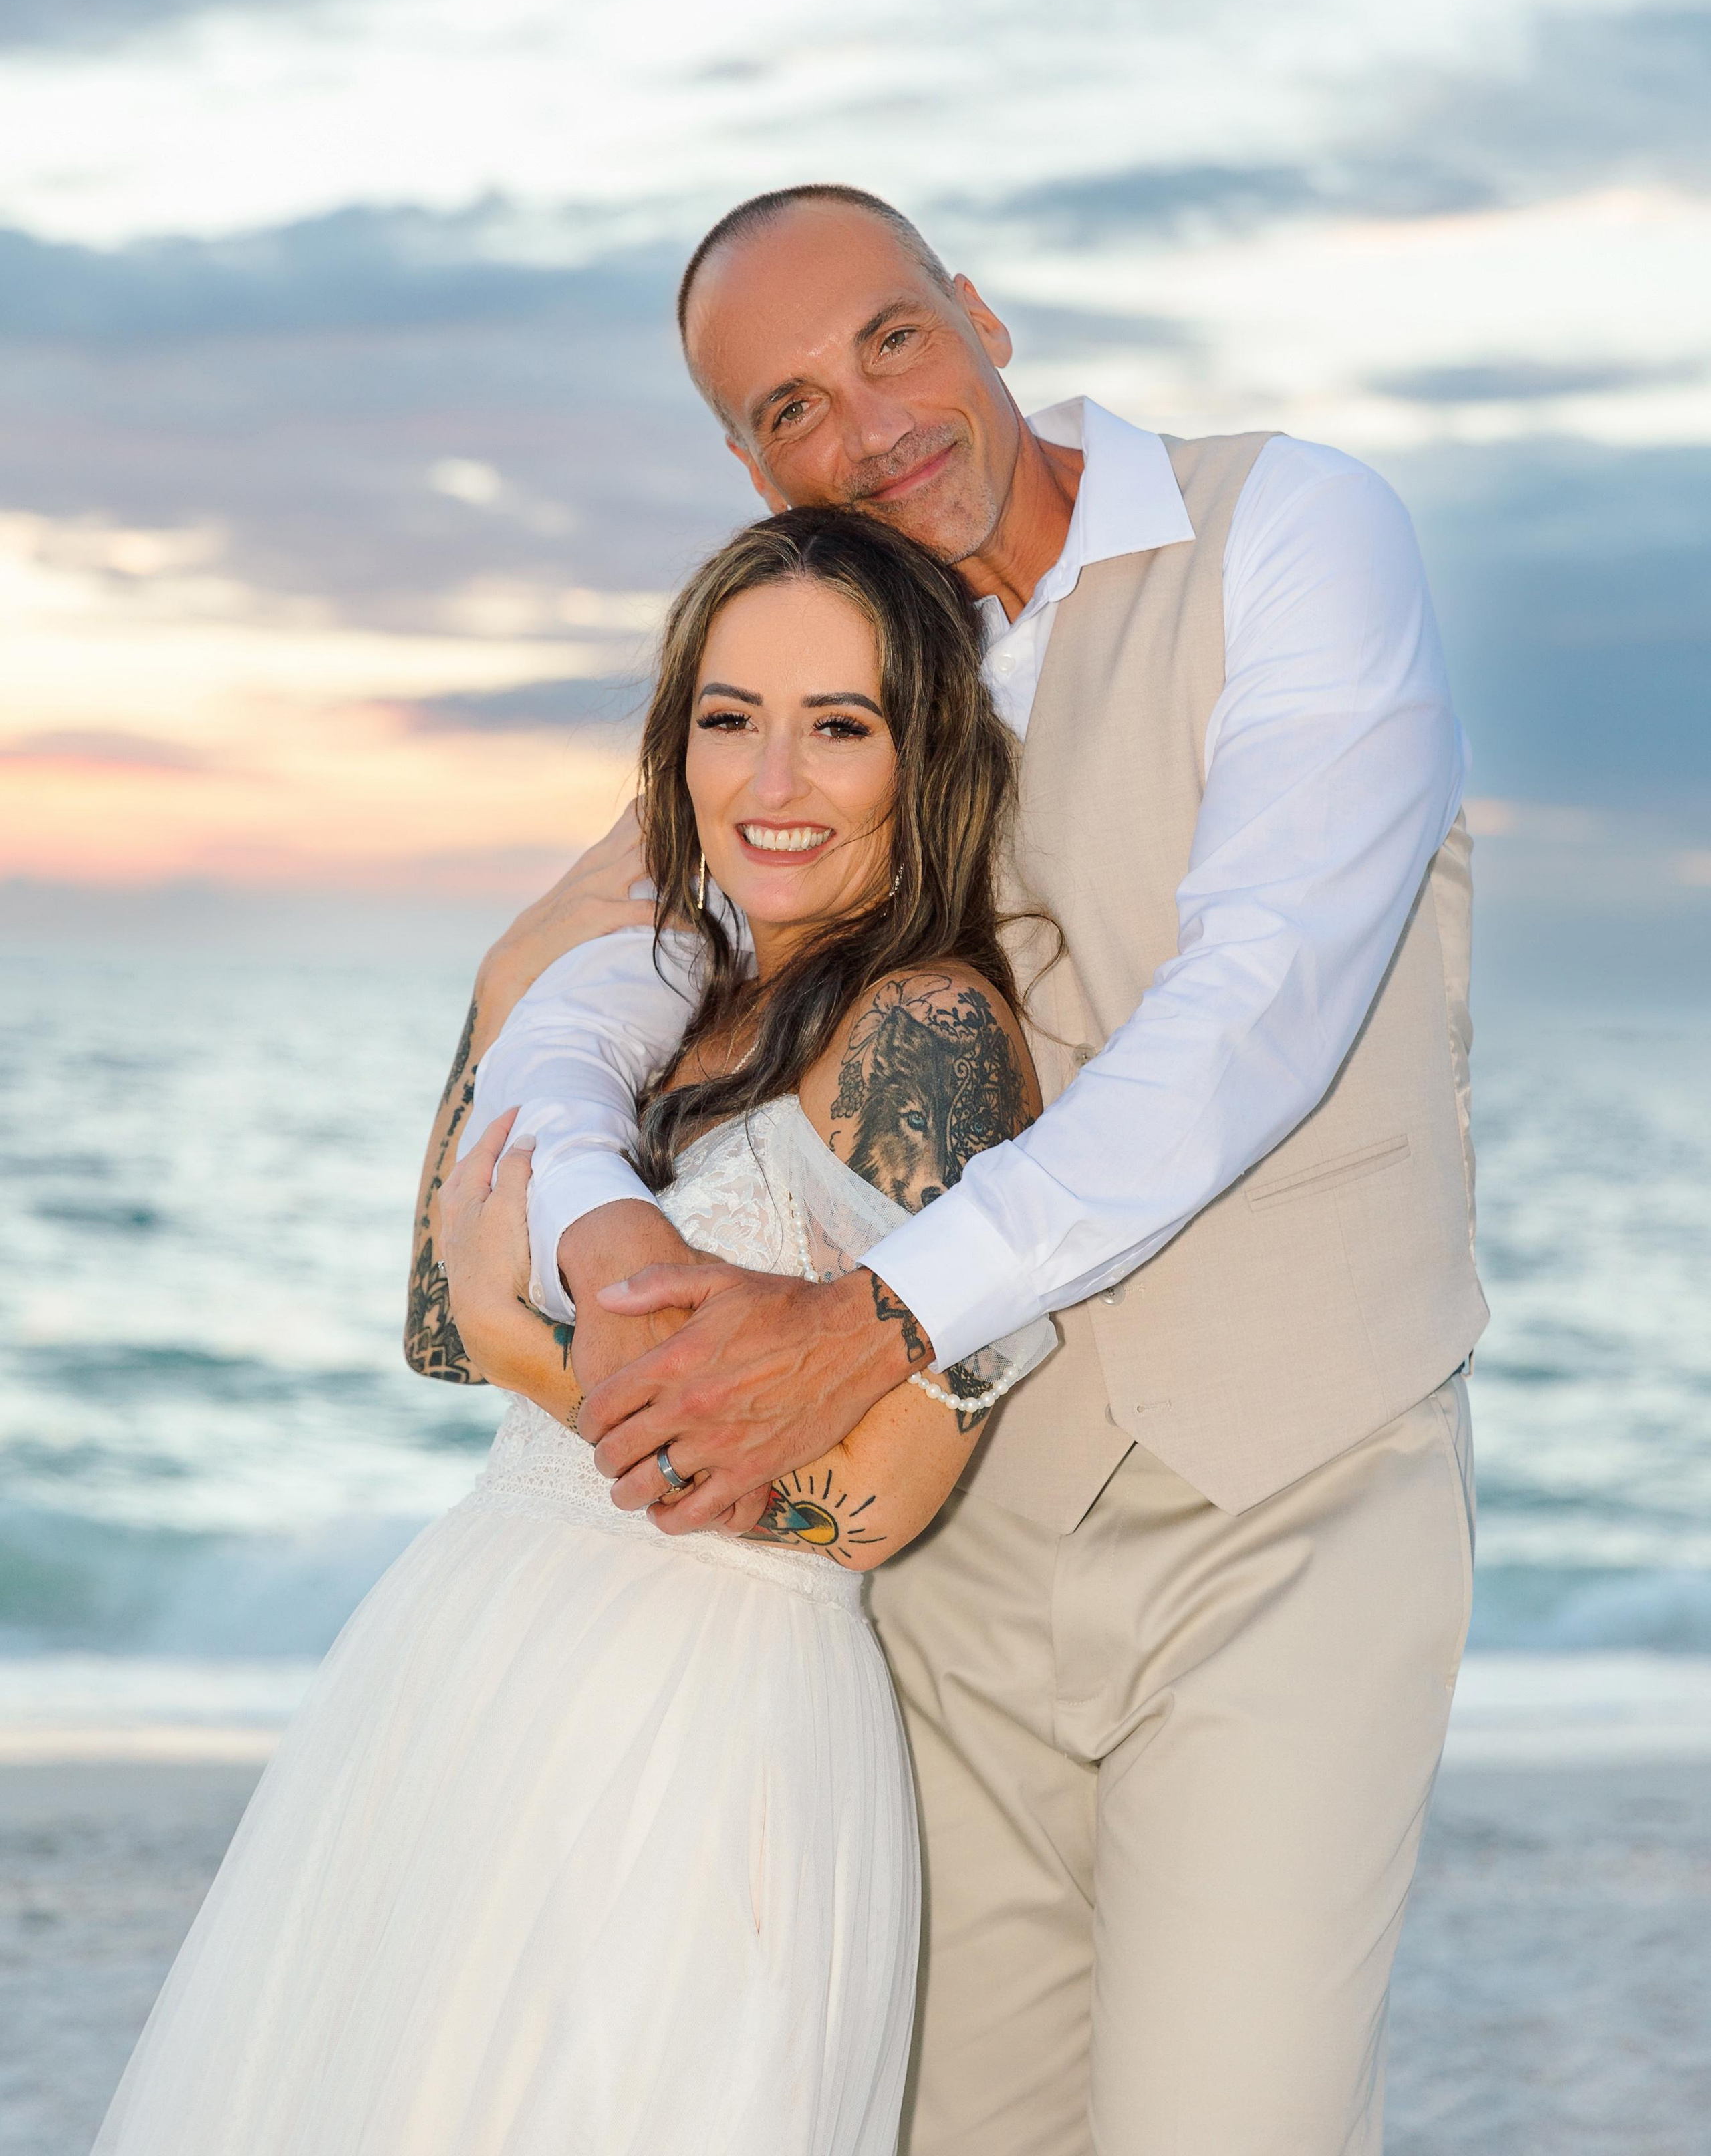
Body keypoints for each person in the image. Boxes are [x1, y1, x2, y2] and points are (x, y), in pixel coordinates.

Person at [472, 184, 1488, 2155]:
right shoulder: (831, 674)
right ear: (744, 461)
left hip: (1284, 1501)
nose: (862, 428)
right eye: (781, 410)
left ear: (984, 318)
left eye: (888, 342)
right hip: (943, 1567)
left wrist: (872, 1315)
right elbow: (596, 964)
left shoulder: (1286, 532)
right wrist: (592, 1211)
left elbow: (1260, 997)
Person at [92, 505, 1055, 2156]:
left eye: (839, 728)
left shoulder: (928, 1030)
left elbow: (873, 1505)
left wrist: (534, 1351)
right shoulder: (676, 1000)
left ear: (927, 759)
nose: (771, 782)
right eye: (727, 719)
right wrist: (511, 975)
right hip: (474, 1663)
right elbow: (436, 1317)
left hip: (697, 1714)